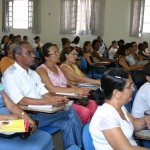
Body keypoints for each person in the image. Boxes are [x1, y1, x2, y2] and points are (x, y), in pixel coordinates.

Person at [2, 41, 83, 149]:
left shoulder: (33, 73)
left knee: (67, 123)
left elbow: (44, 92)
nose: (33, 55)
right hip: (29, 115)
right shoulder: (10, 74)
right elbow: (20, 101)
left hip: (43, 112)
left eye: (32, 52)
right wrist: (47, 102)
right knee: (69, 109)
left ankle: (74, 147)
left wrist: (56, 100)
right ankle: (83, 145)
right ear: (18, 56)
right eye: (29, 53)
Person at [36, 43, 98, 124]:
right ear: (46, 57)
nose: (58, 54)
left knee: (93, 104)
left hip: (69, 97)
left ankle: (89, 129)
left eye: (57, 51)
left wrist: (80, 90)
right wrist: (75, 91)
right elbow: (52, 89)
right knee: (84, 112)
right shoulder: (41, 70)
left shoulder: (58, 68)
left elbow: (69, 84)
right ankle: (81, 132)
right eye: (55, 53)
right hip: (58, 101)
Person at [89, 67, 150, 150]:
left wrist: (144, 120)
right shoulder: (106, 117)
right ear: (116, 93)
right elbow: (126, 149)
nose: (133, 89)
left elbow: (133, 124)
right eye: (130, 87)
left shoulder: (119, 107)